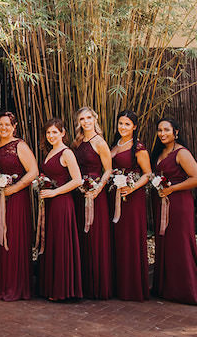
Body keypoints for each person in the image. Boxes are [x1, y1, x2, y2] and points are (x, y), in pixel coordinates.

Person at [151, 118, 197, 306]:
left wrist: (172, 189)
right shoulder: (160, 152)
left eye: (166, 130)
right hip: (163, 202)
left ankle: (186, 290)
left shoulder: (181, 153)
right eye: (159, 130)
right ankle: (168, 287)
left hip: (179, 204)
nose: (162, 133)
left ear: (176, 132)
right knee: (166, 243)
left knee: (180, 244)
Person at [0, 111, 37, 301]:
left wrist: (14, 189)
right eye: (0, 124)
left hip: (14, 199)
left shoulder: (20, 146)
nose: (3, 128)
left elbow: (33, 172)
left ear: (14, 127)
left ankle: (14, 285)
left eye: (7, 125)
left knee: (12, 239)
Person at [36, 118, 83, 302]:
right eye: (48, 133)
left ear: (63, 133)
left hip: (62, 203)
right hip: (50, 202)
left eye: (55, 132)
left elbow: (77, 180)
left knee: (60, 242)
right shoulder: (50, 152)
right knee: (51, 241)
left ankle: (62, 289)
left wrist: (54, 192)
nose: (51, 136)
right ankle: (50, 286)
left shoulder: (67, 153)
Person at [109, 110, 151, 302]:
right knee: (117, 238)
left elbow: (147, 174)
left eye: (127, 124)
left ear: (134, 126)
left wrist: (131, 187)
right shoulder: (114, 144)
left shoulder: (138, 147)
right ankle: (118, 284)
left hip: (132, 199)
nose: (123, 127)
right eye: (120, 123)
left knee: (130, 239)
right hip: (115, 197)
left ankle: (132, 287)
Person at [73, 106, 113, 299]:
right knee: (82, 236)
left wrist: (98, 189)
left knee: (96, 237)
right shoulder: (78, 141)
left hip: (97, 195)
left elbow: (108, 170)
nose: (86, 121)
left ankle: (99, 286)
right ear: (78, 122)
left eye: (89, 118)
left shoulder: (99, 142)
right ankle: (85, 284)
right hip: (80, 193)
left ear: (95, 119)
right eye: (82, 119)